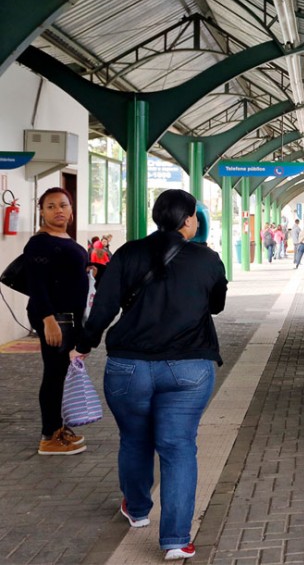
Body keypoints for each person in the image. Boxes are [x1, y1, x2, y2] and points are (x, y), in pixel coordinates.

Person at [79, 189, 228, 561]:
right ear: (189, 219)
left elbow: (103, 308)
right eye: (194, 216)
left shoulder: (129, 252)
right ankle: (176, 540)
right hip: (188, 369)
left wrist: (84, 344)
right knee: (178, 448)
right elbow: (217, 306)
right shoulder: (207, 259)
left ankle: (138, 510)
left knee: (134, 439)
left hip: (128, 367)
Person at [24, 187, 89, 456]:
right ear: (41, 211)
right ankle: (48, 436)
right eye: (51, 206)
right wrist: (48, 320)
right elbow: (37, 285)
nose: (58, 210)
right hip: (55, 317)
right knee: (53, 374)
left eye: (63, 205)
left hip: (68, 316)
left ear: (71, 210)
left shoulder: (65, 239)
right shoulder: (40, 242)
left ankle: (58, 429)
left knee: (60, 373)